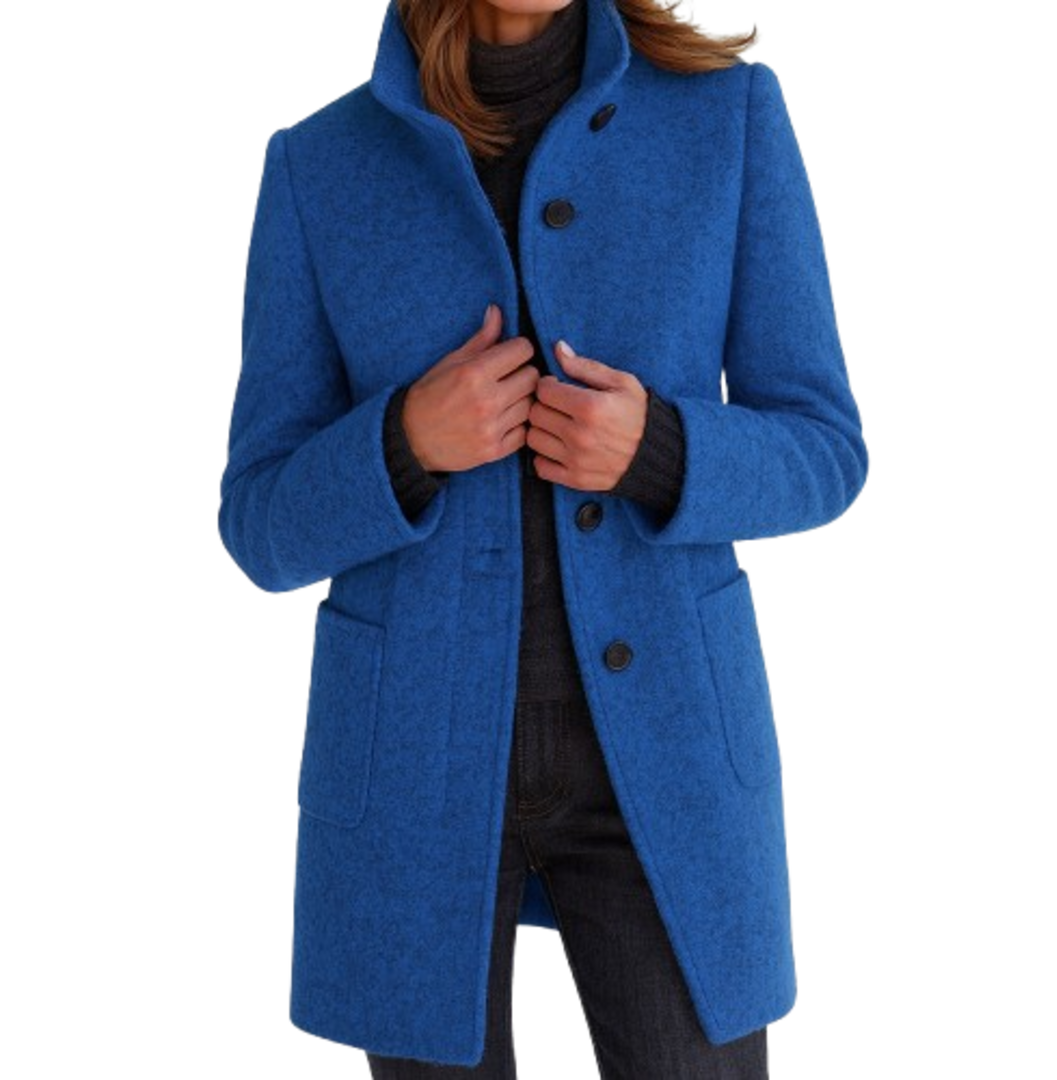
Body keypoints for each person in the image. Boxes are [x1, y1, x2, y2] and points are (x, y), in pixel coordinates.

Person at [221, 0, 870, 1075]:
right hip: (414, 771)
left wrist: (661, 450)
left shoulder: (729, 118)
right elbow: (257, 523)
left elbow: (828, 451)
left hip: (668, 754)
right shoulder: (317, 164)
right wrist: (402, 442)